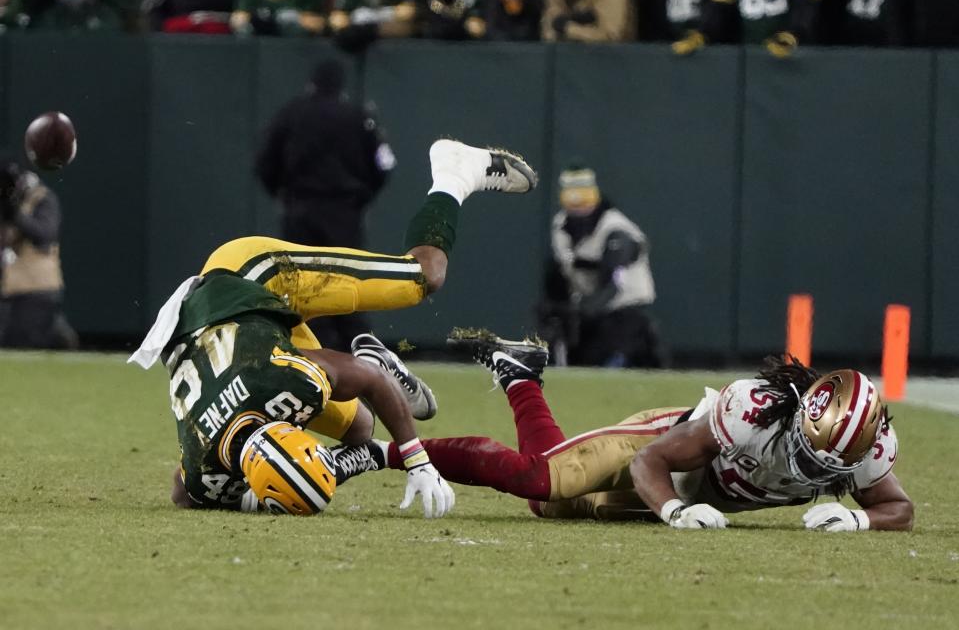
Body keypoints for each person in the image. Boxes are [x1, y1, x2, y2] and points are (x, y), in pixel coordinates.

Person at [127, 139, 538, 518]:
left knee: (422, 276)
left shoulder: (284, 381)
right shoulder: (204, 475)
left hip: (252, 276)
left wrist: (416, 458)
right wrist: (263, 493)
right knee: (360, 427)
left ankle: (455, 172)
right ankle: (366, 358)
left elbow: (369, 383)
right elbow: (183, 492)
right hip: (247, 335)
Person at [371, 332, 913, 531]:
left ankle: (519, 376)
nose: (810, 470)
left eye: (826, 467)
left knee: (545, 504)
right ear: (797, 416)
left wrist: (858, 516)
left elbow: (899, 507)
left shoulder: (868, 442)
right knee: (539, 479)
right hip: (661, 452)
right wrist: (674, 512)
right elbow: (651, 463)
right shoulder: (752, 412)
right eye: (808, 452)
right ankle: (381, 454)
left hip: (703, 496)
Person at [255, 59, 395, 352]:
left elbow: (264, 163)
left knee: (300, 287)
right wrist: (362, 196)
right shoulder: (357, 116)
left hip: (300, 211)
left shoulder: (291, 113)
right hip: (344, 213)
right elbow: (384, 165)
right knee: (348, 284)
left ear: (312, 83)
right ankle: (360, 354)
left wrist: (282, 194)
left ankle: (309, 352)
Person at [539, 163, 664, 368]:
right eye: (573, 202)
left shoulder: (616, 230)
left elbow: (613, 284)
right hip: (589, 312)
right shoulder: (561, 226)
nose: (579, 209)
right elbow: (559, 273)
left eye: (584, 200)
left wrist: (581, 313)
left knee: (611, 352)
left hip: (625, 314)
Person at [0, 159, 77, 350]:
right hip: (10, 290)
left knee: (26, 342)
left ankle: (57, 333)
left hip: (36, 289)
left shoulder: (41, 198)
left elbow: (45, 234)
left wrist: (15, 214)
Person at [672, 0, 822, 57]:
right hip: (750, 56)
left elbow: (807, 7)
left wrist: (793, 35)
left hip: (795, 58)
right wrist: (702, 34)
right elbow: (719, 8)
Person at [541, 0, 636, 43]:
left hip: (615, 63)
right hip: (569, 62)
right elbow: (549, 33)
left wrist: (569, 29)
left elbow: (611, 38)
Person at [230, 0, 327, 37]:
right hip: (258, 45)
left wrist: (296, 19)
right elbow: (238, 19)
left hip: (295, 48)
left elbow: (318, 23)